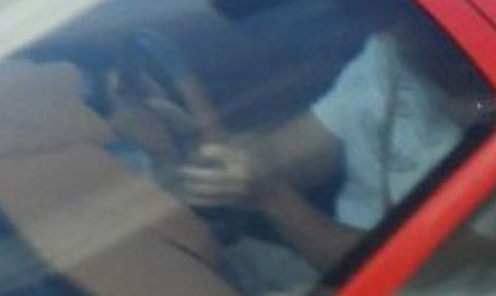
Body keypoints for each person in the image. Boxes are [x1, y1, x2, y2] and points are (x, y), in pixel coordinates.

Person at [172, 23, 471, 275]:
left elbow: (398, 277)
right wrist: (238, 161)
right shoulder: (391, 57)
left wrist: (274, 199)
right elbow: (291, 152)